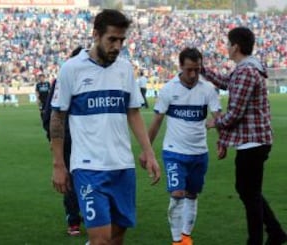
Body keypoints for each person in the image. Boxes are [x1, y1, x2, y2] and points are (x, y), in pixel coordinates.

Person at [50, 9, 161, 245]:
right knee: (100, 239)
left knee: (116, 236)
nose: (117, 46)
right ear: (96, 35)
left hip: (122, 165)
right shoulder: (71, 69)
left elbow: (133, 112)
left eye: (122, 40)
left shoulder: (124, 69)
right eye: (112, 39)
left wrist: (149, 152)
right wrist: (59, 164)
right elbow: (57, 118)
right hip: (88, 167)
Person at [204, 27, 287, 245]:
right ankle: (275, 232)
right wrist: (204, 71)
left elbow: (235, 113)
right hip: (254, 141)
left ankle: (257, 240)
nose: (226, 47)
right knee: (250, 191)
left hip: (252, 142)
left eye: (228, 43)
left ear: (236, 47)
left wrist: (215, 123)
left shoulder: (246, 71)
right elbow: (226, 84)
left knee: (249, 193)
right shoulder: (247, 68)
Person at [147, 47, 221, 245]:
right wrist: (147, 150)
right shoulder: (169, 90)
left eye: (197, 69)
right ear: (180, 67)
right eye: (189, 69)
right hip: (174, 152)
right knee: (177, 193)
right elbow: (156, 122)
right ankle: (176, 239)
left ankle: (186, 236)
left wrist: (222, 141)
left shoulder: (207, 89)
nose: (193, 74)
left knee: (192, 194)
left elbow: (218, 117)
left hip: (199, 152)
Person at [43, 46, 83, 236]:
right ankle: (73, 218)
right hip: (68, 139)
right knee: (69, 179)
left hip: (88, 139)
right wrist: (52, 138)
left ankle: (85, 217)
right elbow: (49, 114)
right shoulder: (61, 81)